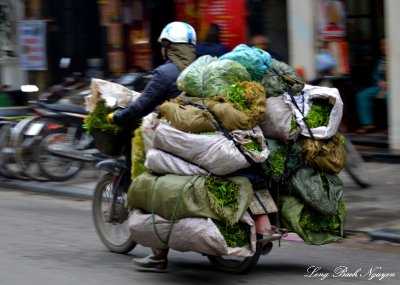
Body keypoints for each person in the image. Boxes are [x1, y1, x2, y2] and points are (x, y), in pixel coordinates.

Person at [108, 21, 197, 270]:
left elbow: (141, 106)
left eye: (163, 46)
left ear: (167, 47)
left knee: (149, 181)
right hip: (204, 138)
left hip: (174, 140)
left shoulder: (165, 73)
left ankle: (158, 254)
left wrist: (118, 117)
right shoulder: (204, 68)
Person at [355, 38, 387, 134]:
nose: (383, 48)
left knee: (391, 97)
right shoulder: (380, 60)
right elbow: (375, 75)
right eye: (382, 45)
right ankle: (368, 124)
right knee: (362, 95)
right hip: (380, 86)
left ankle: (391, 125)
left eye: (385, 45)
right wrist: (379, 81)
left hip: (395, 87)